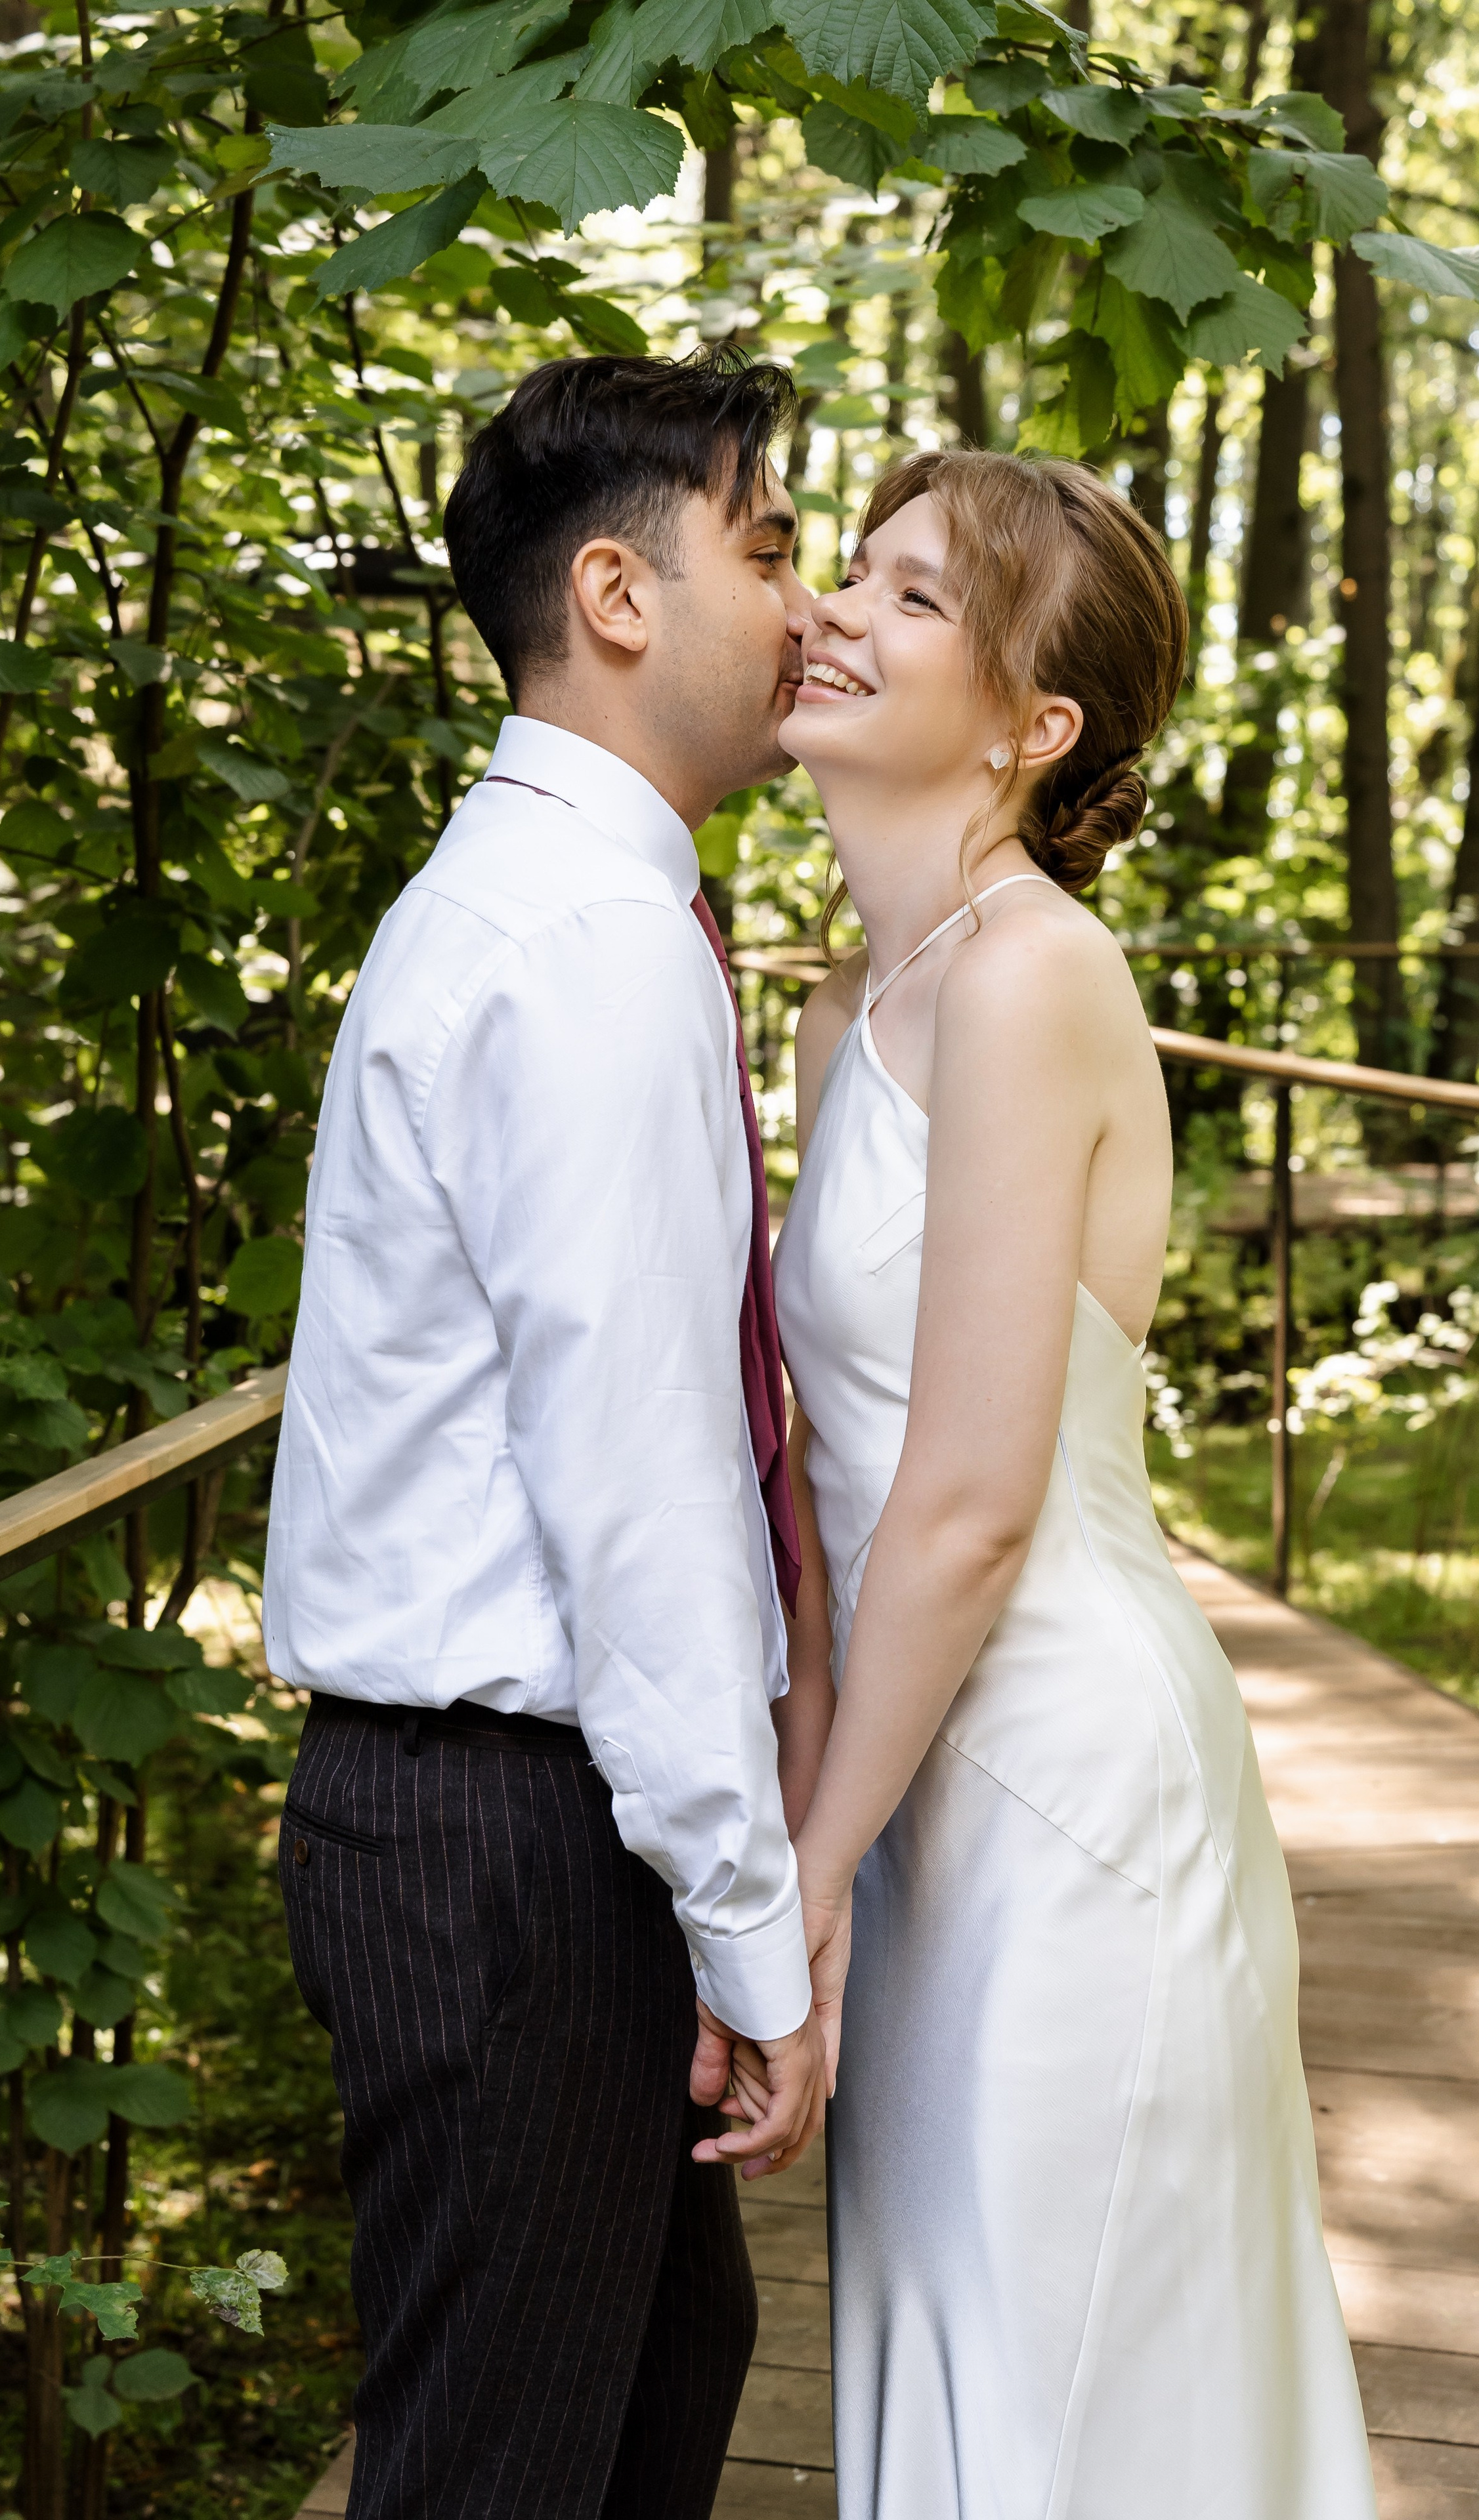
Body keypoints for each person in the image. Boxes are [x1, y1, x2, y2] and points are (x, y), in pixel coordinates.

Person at [769, 448, 1378, 2518]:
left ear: (1038, 731)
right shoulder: (854, 1003)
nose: (837, 606)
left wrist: (803, 1878)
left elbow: (968, 1504)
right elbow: (833, 1478)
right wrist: (823, 1798)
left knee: (1071, 2380)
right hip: (913, 1780)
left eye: (917, 598)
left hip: (1063, 1793)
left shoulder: (1039, 975)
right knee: (951, 2345)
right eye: (848, 568)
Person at [260, 348, 832, 2520]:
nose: (802, 609)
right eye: (768, 550)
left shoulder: (567, 900)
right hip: (502, 1838)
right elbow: (645, 1492)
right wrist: (755, 1937)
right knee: (503, 2468)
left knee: (664, 2376)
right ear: (617, 591)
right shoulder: (584, 939)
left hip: (523, 1825)